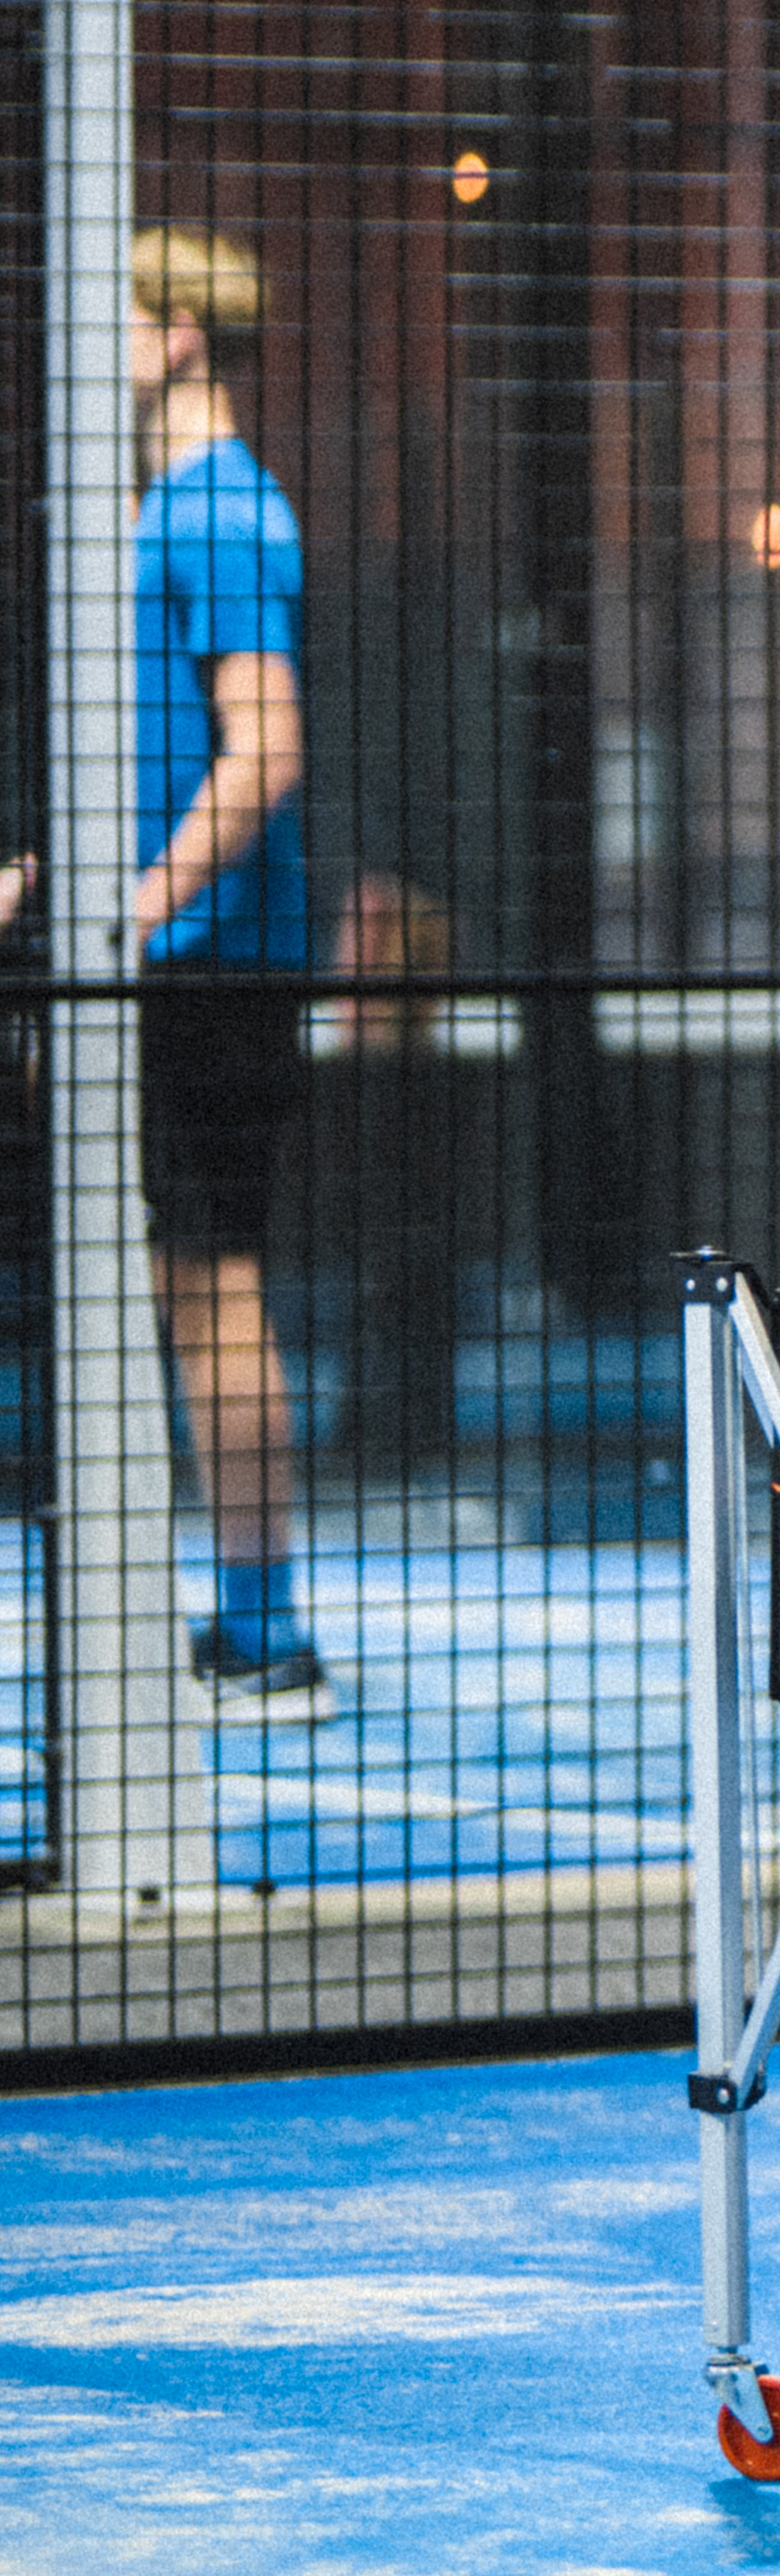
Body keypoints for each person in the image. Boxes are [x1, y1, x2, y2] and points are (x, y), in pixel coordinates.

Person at [4, 229, 325, 1715]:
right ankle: (231, 1620)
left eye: (117, 317)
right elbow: (165, 764)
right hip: (168, 960)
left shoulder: (220, 517)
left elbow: (265, 753)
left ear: (183, 333)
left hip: (206, 972)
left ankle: (263, 1633)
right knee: (177, 1288)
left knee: (214, 1291)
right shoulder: (166, 516)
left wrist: (128, 914)